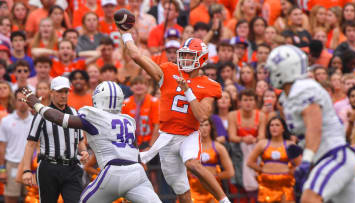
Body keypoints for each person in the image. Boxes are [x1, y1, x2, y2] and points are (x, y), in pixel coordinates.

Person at [119, 28, 230, 202]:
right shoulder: (168, 71)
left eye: (190, 56)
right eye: (183, 55)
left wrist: (188, 91)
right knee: (181, 189)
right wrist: (125, 34)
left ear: (201, 59)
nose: (185, 59)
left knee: (192, 163)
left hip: (188, 135)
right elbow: (137, 56)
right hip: (166, 138)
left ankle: (225, 201)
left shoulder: (209, 85)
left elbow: (201, 116)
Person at [21, 80, 161, 203]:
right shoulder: (128, 120)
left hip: (113, 172)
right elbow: (134, 151)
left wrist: (37, 105)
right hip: (137, 173)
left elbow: (59, 119)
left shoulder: (94, 116)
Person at [266, 44, 355, 203]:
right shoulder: (288, 96)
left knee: (309, 199)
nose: (270, 73)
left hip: (334, 156)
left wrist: (306, 159)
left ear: (285, 69)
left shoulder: (302, 89)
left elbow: (315, 126)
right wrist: (301, 148)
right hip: (330, 157)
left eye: (273, 69)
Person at [21, 76, 89, 203]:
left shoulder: (75, 112)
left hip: (72, 167)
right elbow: (31, 144)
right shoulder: (41, 114)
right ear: (51, 92)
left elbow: (80, 140)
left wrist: (84, 151)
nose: (63, 95)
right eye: (59, 91)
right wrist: (26, 170)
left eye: (66, 91)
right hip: (49, 167)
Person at [247, 116, 300, 203]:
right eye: (271, 125)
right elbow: (250, 162)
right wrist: (262, 170)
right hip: (266, 186)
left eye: (277, 125)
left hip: (285, 186)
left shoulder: (291, 145)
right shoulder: (262, 143)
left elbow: (300, 164)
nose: (274, 128)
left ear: (283, 128)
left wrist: (289, 172)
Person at [0, 88, 33, 203]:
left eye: (25, 100)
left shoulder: (35, 121)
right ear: (14, 101)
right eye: (19, 100)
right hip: (12, 164)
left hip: (31, 166)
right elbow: (2, 148)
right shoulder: (6, 121)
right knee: (10, 198)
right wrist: (2, 170)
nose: (22, 103)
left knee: (32, 198)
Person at [189, 119, 234, 202]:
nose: (204, 128)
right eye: (201, 125)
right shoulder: (190, 147)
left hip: (213, 190)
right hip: (193, 191)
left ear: (211, 127)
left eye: (206, 125)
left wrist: (212, 177)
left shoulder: (218, 147)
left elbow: (230, 172)